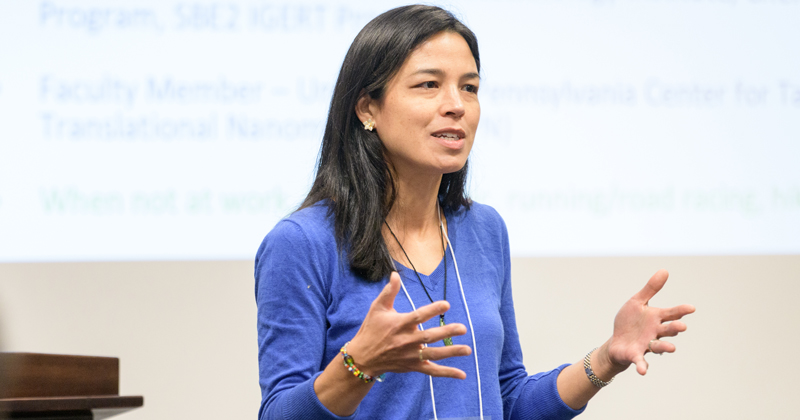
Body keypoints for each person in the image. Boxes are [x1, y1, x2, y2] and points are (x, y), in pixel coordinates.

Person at [254, 5, 695, 420]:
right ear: (368, 107)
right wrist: (358, 364)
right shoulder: (302, 242)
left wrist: (606, 357)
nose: (457, 105)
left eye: (470, 87)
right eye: (429, 85)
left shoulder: (483, 230)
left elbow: (507, 398)